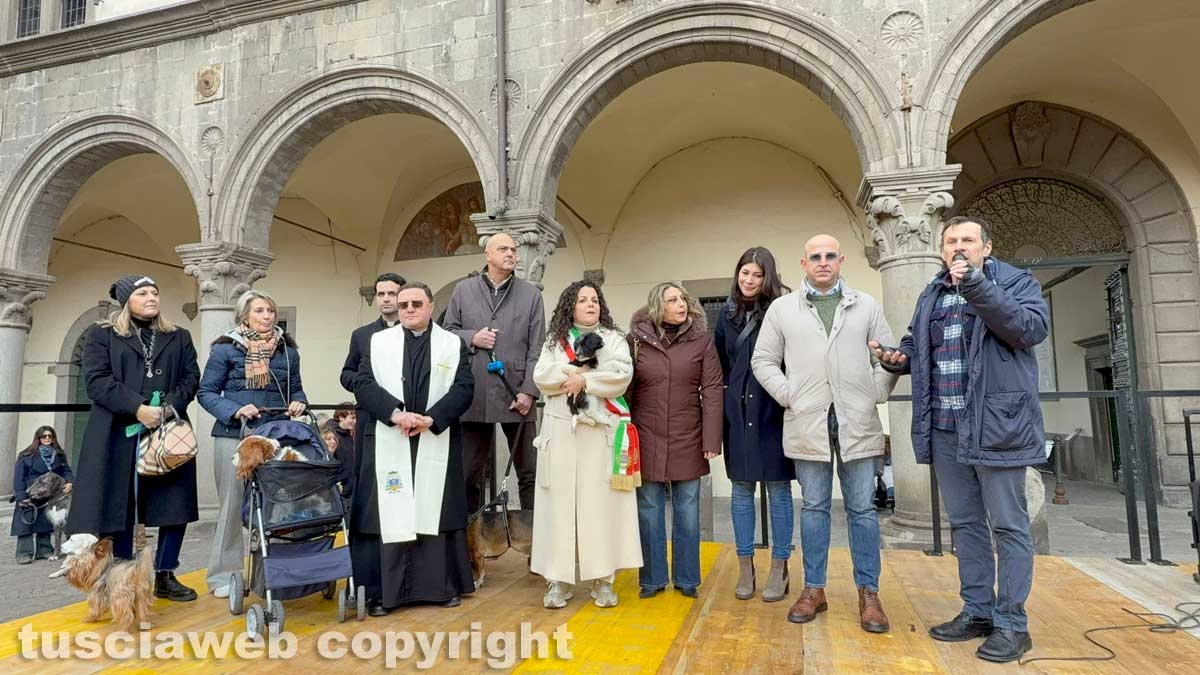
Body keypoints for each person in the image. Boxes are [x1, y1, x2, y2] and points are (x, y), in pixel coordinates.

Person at [873, 216, 1048, 663]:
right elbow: (919, 343)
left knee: (1008, 526)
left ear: (986, 247)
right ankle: (978, 611)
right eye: (950, 241)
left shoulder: (1016, 282)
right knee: (965, 525)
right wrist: (899, 358)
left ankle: (1013, 624)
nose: (958, 247)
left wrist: (975, 286)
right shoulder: (933, 290)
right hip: (947, 427)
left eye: (967, 240)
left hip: (997, 425)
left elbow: (1028, 330)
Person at [751, 234, 897, 633]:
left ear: (841, 260)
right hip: (808, 419)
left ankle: (869, 592)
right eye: (815, 256)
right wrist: (788, 395)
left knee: (863, 510)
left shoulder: (865, 305)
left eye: (830, 256)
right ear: (803, 264)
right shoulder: (783, 309)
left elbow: (887, 355)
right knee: (814, 508)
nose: (823, 262)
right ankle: (814, 588)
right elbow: (763, 359)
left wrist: (878, 391)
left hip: (857, 419)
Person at [65, 274, 201, 601]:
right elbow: (97, 380)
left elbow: (190, 376)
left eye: (155, 292)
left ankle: (165, 573)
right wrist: (136, 408)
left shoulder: (178, 336)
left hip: (166, 432)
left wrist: (168, 407)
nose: (152, 297)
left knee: (174, 504)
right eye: (143, 293)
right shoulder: (102, 335)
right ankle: (122, 578)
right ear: (127, 300)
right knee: (119, 505)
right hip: (116, 432)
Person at [351, 282, 475, 616]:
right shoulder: (378, 342)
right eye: (403, 304)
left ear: (431, 306)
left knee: (434, 509)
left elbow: (464, 388)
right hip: (391, 435)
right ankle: (383, 593)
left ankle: (440, 587)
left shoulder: (452, 344)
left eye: (416, 303)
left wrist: (431, 419)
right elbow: (363, 384)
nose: (408, 309)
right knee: (389, 511)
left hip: (434, 436)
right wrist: (395, 413)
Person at [531, 281, 642, 609]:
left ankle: (603, 579)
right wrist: (577, 372)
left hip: (599, 434)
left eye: (595, 299)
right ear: (571, 305)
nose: (590, 304)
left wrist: (585, 380)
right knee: (558, 507)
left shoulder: (614, 339)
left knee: (599, 507)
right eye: (582, 299)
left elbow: (620, 375)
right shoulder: (555, 341)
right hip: (561, 433)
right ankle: (557, 580)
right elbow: (542, 377)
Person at [197, 289, 307, 599]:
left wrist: (298, 402)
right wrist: (234, 409)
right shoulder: (225, 349)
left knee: (273, 507)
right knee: (232, 508)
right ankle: (224, 576)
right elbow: (206, 393)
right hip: (235, 436)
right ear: (244, 315)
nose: (267, 316)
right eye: (259, 311)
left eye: (270, 311)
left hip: (274, 437)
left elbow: (297, 389)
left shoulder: (288, 350)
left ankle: (270, 573)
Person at [626, 282, 723, 599]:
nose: (681, 304)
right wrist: (620, 436)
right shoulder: (636, 341)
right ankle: (652, 580)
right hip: (646, 436)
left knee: (687, 510)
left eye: (682, 298)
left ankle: (687, 579)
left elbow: (711, 390)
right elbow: (625, 391)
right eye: (673, 300)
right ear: (658, 306)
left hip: (689, 436)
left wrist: (711, 438)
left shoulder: (702, 341)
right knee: (649, 509)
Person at [713, 247, 795, 602]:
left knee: (778, 490)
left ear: (768, 278)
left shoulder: (784, 310)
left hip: (773, 408)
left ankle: (780, 566)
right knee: (741, 489)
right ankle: (745, 565)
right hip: (737, 412)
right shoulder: (725, 315)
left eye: (757, 275)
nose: (749, 280)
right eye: (744, 273)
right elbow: (718, 365)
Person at [442, 233, 545, 514]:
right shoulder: (463, 290)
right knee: (467, 475)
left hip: (517, 395)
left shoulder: (531, 294)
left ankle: (532, 544)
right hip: (474, 394)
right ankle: (468, 545)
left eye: (514, 249)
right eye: (503, 248)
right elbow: (447, 333)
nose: (511, 253)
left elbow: (538, 347)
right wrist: (472, 337)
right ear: (487, 255)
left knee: (530, 474)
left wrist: (529, 392)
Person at [10, 426, 74, 563]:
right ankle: (24, 553)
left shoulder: (59, 454)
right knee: (25, 524)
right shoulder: (26, 455)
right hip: (31, 493)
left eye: (50, 436)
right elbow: (19, 477)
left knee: (46, 524)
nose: (47, 439)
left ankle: (44, 550)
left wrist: (70, 482)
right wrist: (21, 496)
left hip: (51, 495)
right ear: (38, 438)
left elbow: (66, 470)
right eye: (43, 436)